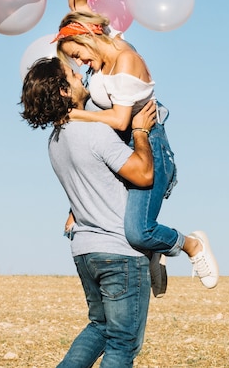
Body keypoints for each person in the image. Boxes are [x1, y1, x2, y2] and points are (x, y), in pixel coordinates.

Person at [52, 0, 219, 293]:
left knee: (138, 231)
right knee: (102, 224)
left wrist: (74, 116)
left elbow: (119, 121)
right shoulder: (107, 42)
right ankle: (152, 254)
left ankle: (191, 245)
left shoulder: (126, 61)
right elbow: (78, 1)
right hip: (119, 148)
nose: (81, 63)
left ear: (89, 36)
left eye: (78, 54)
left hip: (148, 148)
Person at [20, 56, 157, 367]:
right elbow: (143, 173)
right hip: (119, 252)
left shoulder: (55, 141)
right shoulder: (93, 133)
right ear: (64, 91)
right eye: (72, 73)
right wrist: (140, 131)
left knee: (99, 327)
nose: (80, 75)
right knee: (122, 343)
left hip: (85, 251)